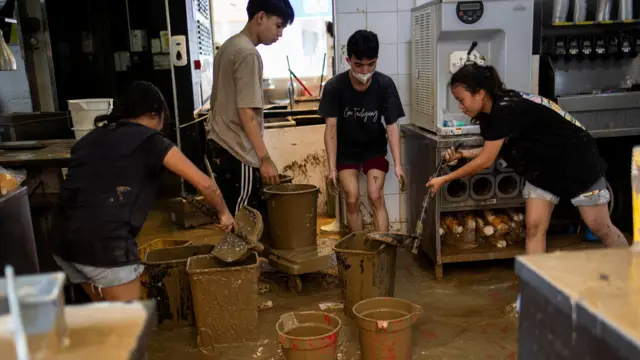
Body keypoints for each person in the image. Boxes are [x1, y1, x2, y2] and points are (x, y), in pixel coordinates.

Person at [425, 63, 629, 310]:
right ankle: (534, 298)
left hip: (577, 162)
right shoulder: (490, 115)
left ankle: (628, 278)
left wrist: (445, 179)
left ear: (479, 93)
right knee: (533, 228)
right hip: (543, 168)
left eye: (461, 99)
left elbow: (487, 160)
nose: (460, 106)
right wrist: (463, 154)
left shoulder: (506, 109)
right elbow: (496, 148)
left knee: (599, 226)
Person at [53, 81, 235, 302]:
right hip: (105, 245)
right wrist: (224, 213)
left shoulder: (90, 138)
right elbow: (205, 184)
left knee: (108, 318)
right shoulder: (150, 141)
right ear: (154, 113)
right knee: (132, 326)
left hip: (63, 243)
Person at [205, 0, 294, 216]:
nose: (280, 34)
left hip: (218, 144)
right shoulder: (248, 54)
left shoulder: (229, 46)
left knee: (233, 218)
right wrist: (265, 159)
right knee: (243, 222)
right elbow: (247, 113)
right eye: (279, 25)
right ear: (260, 17)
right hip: (236, 151)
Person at [320, 30, 405, 232]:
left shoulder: (385, 85)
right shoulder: (334, 87)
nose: (365, 71)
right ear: (348, 60)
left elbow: (392, 126)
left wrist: (399, 165)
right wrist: (332, 169)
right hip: (346, 150)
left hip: (374, 148)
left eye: (371, 64)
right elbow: (330, 127)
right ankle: (360, 252)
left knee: (375, 195)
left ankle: (382, 250)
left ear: (376, 60)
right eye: (359, 64)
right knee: (351, 198)